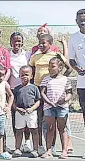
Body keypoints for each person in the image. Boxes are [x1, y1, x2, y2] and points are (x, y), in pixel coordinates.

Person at [29, 34, 73, 155]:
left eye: (43, 43)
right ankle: (40, 146)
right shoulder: (35, 56)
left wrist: (60, 80)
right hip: (39, 90)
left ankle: (54, 148)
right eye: (39, 43)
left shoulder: (56, 55)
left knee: (59, 124)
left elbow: (69, 68)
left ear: (50, 44)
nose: (41, 45)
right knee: (40, 120)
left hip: (55, 93)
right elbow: (30, 71)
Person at [40, 57, 72, 159]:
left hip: (62, 108)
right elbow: (42, 93)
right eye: (49, 67)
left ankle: (64, 151)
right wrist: (49, 102)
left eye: (52, 66)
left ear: (60, 67)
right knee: (50, 129)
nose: (50, 69)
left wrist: (64, 100)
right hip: (49, 108)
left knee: (62, 129)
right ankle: (49, 150)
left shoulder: (65, 79)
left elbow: (69, 93)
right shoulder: (46, 79)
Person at [8, 32, 33, 153]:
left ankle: (27, 143)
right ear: (11, 42)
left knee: (27, 116)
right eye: (14, 41)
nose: (17, 43)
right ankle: (17, 145)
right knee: (15, 118)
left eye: (19, 41)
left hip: (26, 90)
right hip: (13, 90)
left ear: (22, 42)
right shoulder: (8, 56)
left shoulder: (27, 55)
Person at [12, 66, 40, 158]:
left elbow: (38, 101)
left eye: (27, 75)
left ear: (31, 76)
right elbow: (13, 102)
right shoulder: (16, 89)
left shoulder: (34, 88)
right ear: (19, 76)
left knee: (34, 130)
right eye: (22, 75)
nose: (24, 77)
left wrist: (32, 109)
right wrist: (17, 109)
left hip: (31, 113)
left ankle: (35, 149)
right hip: (20, 113)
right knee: (19, 131)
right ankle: (17, 149)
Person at [68, 9, 85, 157]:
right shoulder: (73, 38)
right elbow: (71, 60)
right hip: (82, 84)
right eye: (81, 20)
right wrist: (77, 68)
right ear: (76, 22)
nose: (83, 22)